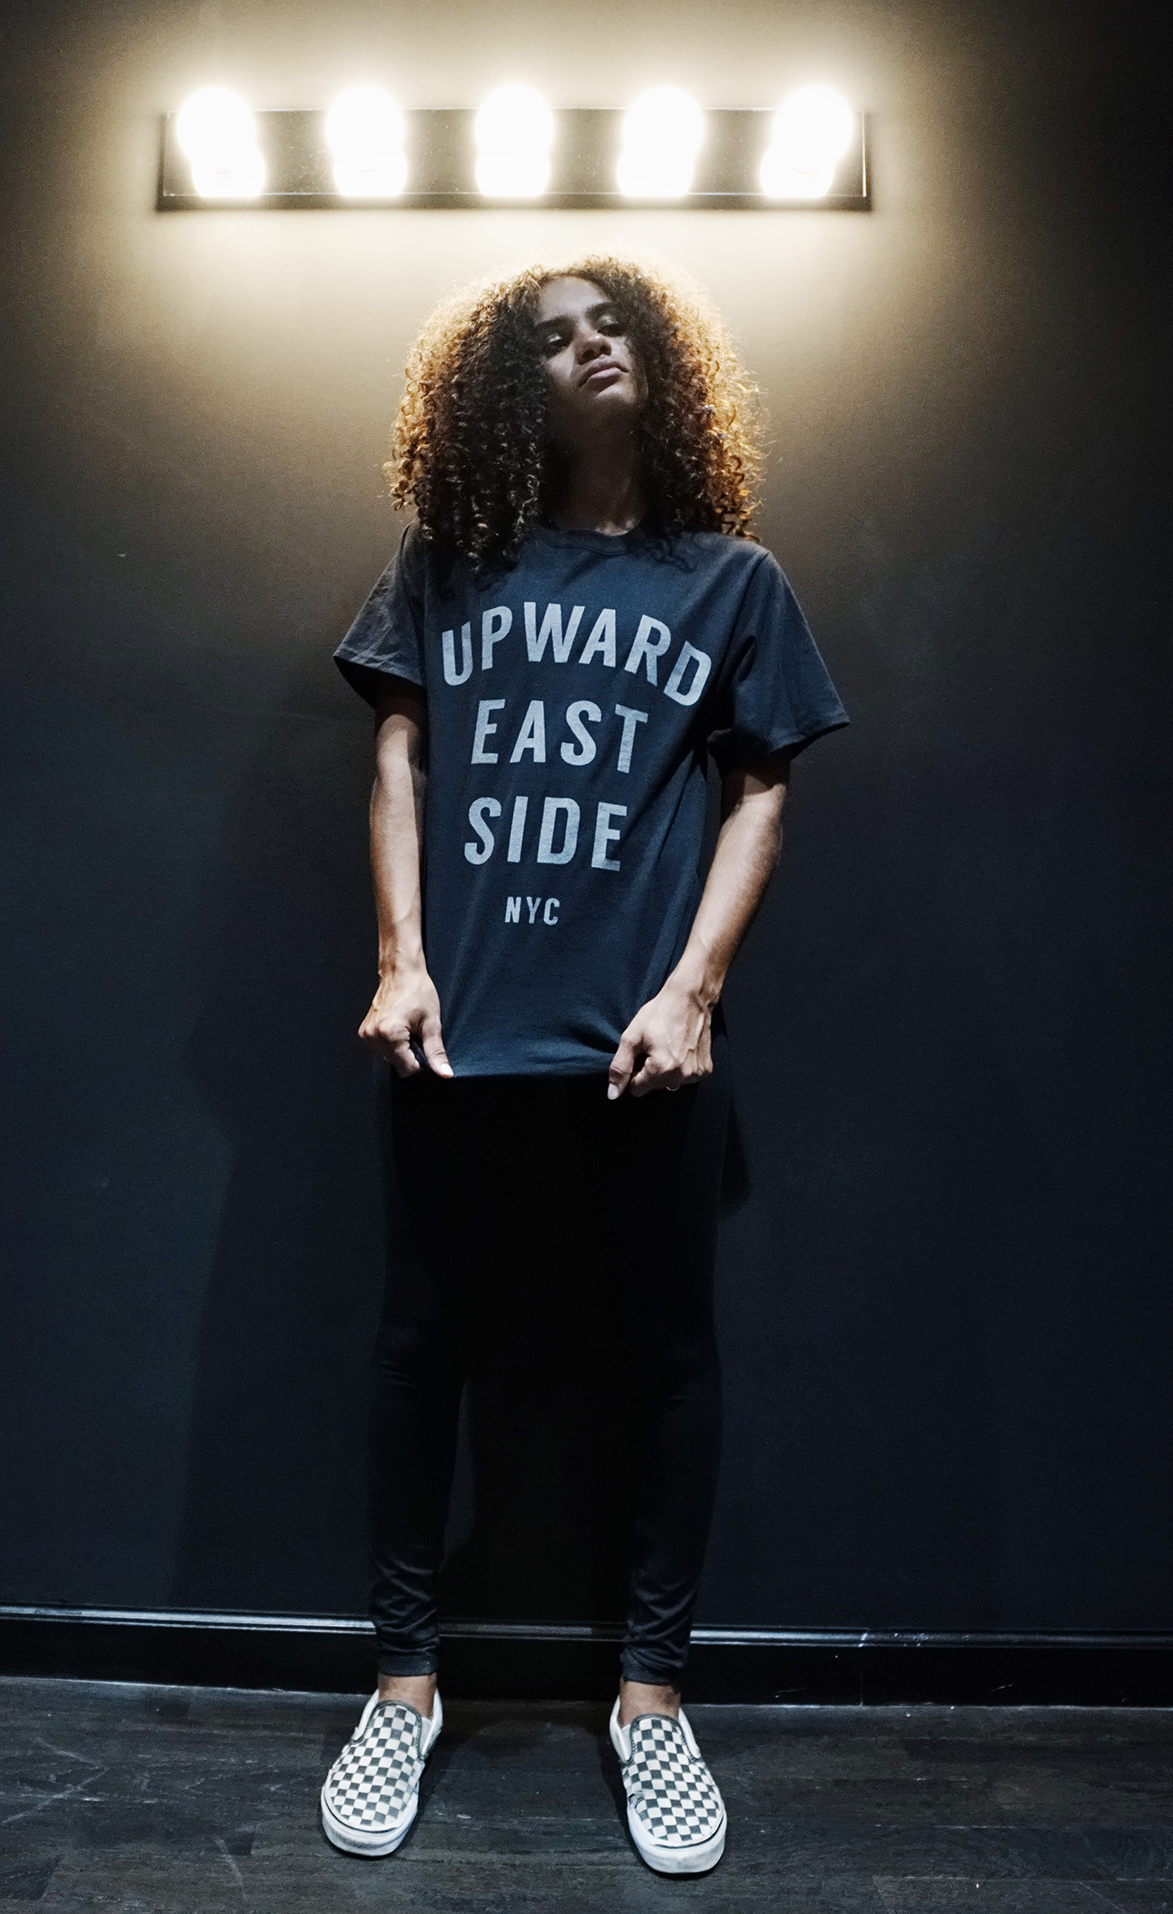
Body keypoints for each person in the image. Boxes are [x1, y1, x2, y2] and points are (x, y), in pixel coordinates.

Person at [315, 254, 847, 1875]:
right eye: (552, 339)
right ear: (510, 389)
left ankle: (653, 1700)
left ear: (659, 357)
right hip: (461, 1031)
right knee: (420, 1349)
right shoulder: (449, 567)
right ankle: (402, 1687)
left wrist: (695, 990)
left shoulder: (731, 581)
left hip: (641, 1043)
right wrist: (402, 961)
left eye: (612, 324)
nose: (591, 348)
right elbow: (398, 753)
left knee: (669, 1357)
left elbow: (765, 789)